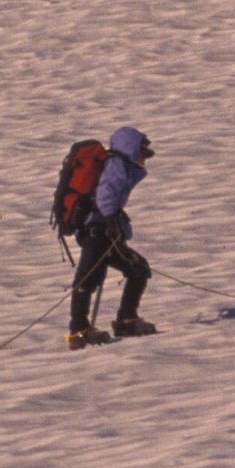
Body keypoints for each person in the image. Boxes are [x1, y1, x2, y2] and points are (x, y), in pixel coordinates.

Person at [69, 127, 156, 346]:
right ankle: (79, 330)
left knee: (136, 269)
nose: (143, 158)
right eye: (141, 152)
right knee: (88, 278)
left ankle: (123, 320)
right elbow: (105, 194)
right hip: (98, 232)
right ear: (131, 148)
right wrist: (109, 221)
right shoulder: (117, 165)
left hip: (102, 232)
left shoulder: (121, 165)